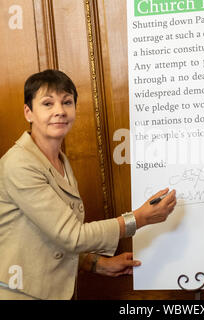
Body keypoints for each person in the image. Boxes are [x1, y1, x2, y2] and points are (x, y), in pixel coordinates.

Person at [0, 69, 177, 300]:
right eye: (47, 103)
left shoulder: (59, 159)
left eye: (67, 102)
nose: (59, 111)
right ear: (28, 112)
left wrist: (97, 264)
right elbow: (70, 235)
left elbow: (48, 236)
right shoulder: (19, 164)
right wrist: (139, 219)